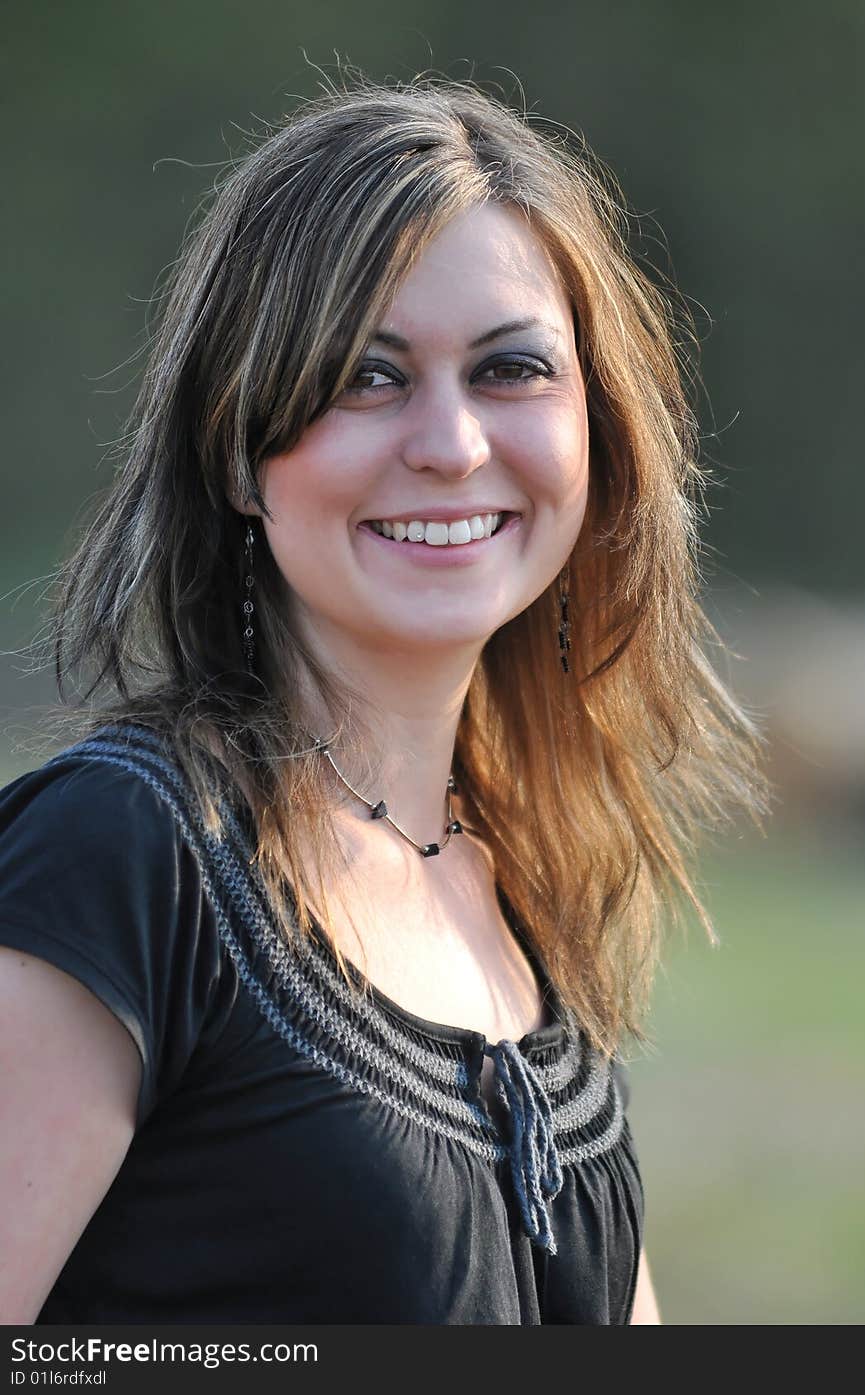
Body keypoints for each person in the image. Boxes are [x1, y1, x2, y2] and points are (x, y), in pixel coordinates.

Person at [0, 72, 769, 1326]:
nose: (452, 443)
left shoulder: (520, 883)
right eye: (367, 376)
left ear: (599, 433)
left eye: (513, 368)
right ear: (242, 452)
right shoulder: (124, 861)